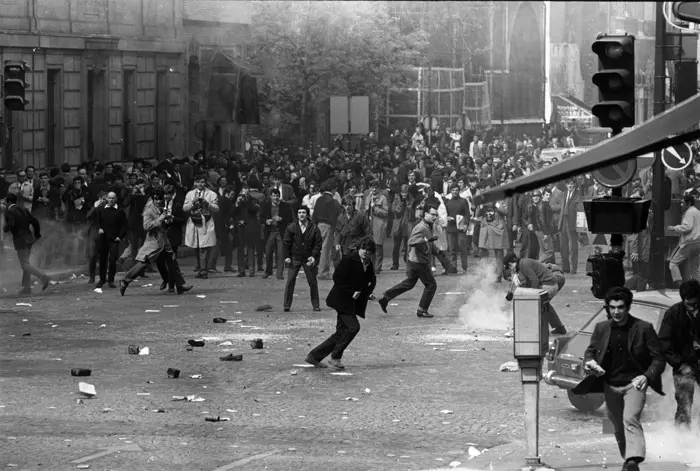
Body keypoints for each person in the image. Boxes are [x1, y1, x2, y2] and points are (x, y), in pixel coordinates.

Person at [572, 287, 666, 471]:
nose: (616, 311)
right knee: (617, 426)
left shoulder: (644, 328)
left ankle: (634, 459)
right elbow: (591, 351)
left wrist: (646, 376)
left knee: (630, 419)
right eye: (612, 307)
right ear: (608, 308)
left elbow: (658, 358)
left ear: (628, 307)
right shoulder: (601, 328)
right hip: (610, 384)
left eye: (620, 307)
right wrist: (590, 362)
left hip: (634, 385)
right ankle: (628, 460)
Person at [306, 239, 377, 369]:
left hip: (351, 302)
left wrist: (367, 292)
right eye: (363, 249)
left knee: (341, 332)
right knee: (353, 327)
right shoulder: (349, 260)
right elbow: (337, 278)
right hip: (341, 300)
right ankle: (336, 356)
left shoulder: (368, 263)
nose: (365, 252)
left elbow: (371, 279)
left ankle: (314, 356)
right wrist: (351, 292)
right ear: (358, 248)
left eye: (368, 250)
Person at [119, 188, 192, 296]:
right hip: (153, 241)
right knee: (143, 263)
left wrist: (167, 220)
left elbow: (163, 222)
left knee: (172, 261)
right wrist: (160, 219)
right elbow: (146, 226)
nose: (158, 201)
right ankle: (125, 281)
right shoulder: (149, 210)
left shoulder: (161, 207)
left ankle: (179, 286)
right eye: (156, 199)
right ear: (152, 199)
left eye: (160, 199)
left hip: (163, 240)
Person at [377, 205, 441, 318]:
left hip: (415, 260)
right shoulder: (421, 227)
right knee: (431, 285)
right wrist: (427, 240)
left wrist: (437, 251)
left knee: (409, 284)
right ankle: (422, 310)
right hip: (419, 262)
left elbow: (428, 243)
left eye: (436, 215)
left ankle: (386, 297)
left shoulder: (428, 226)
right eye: (432, 214)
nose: (434, 217)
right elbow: (411, 242)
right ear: (425, 214)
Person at [658, 279, 700, 428]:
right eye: (689, 304)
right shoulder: (673, 314)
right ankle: (681, 436)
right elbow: (664, 344)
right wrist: (680, 365)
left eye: (696, 304)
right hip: (683, 363)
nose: (692, 308)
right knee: (684, 405)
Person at [503, 253, 567, 335]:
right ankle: (559, 328)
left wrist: (531, 297)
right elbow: (529, 282)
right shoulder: (522, 264)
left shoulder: (523, 264)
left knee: (530, 306)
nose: (511, 270)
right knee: (544, 305)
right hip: (551, 284)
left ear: (510, 263)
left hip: (549, 286)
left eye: (509, 267)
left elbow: (534, 281)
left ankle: (521, 329)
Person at [3, 192, 51, 294]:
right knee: (26, 263)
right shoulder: (24, 209)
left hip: (20, 240)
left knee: (24, 264)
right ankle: (26, 287)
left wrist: (5, 229)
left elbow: (11, 224)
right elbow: (35, 222)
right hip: (29, 238)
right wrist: (37, 234)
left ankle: (43, 277)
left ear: (9, 201)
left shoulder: (9, 211)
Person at [282, 205, 323, 312]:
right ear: (297, 215)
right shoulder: (291, 227)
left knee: (312, 282)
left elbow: (318, 244)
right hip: (295, 257)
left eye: (303, 212)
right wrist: (287, 256)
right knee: (290, 281)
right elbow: (286, 242)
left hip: (308, 258)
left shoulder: (314, 228)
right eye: (299, 212)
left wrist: (313, 256)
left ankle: (316, 305)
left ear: (307, 214)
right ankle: (286, 305)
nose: (301, 215)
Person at [667, 193, 700, 288]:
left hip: (689, 242)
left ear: (688, 203)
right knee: (694, 269)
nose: (681, 205)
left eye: (683, 203)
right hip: (698, 242)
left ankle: (681, 286)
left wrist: (674, 228)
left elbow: (687, 227)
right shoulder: (698, 212)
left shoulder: (689, 212)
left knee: (673, 263)